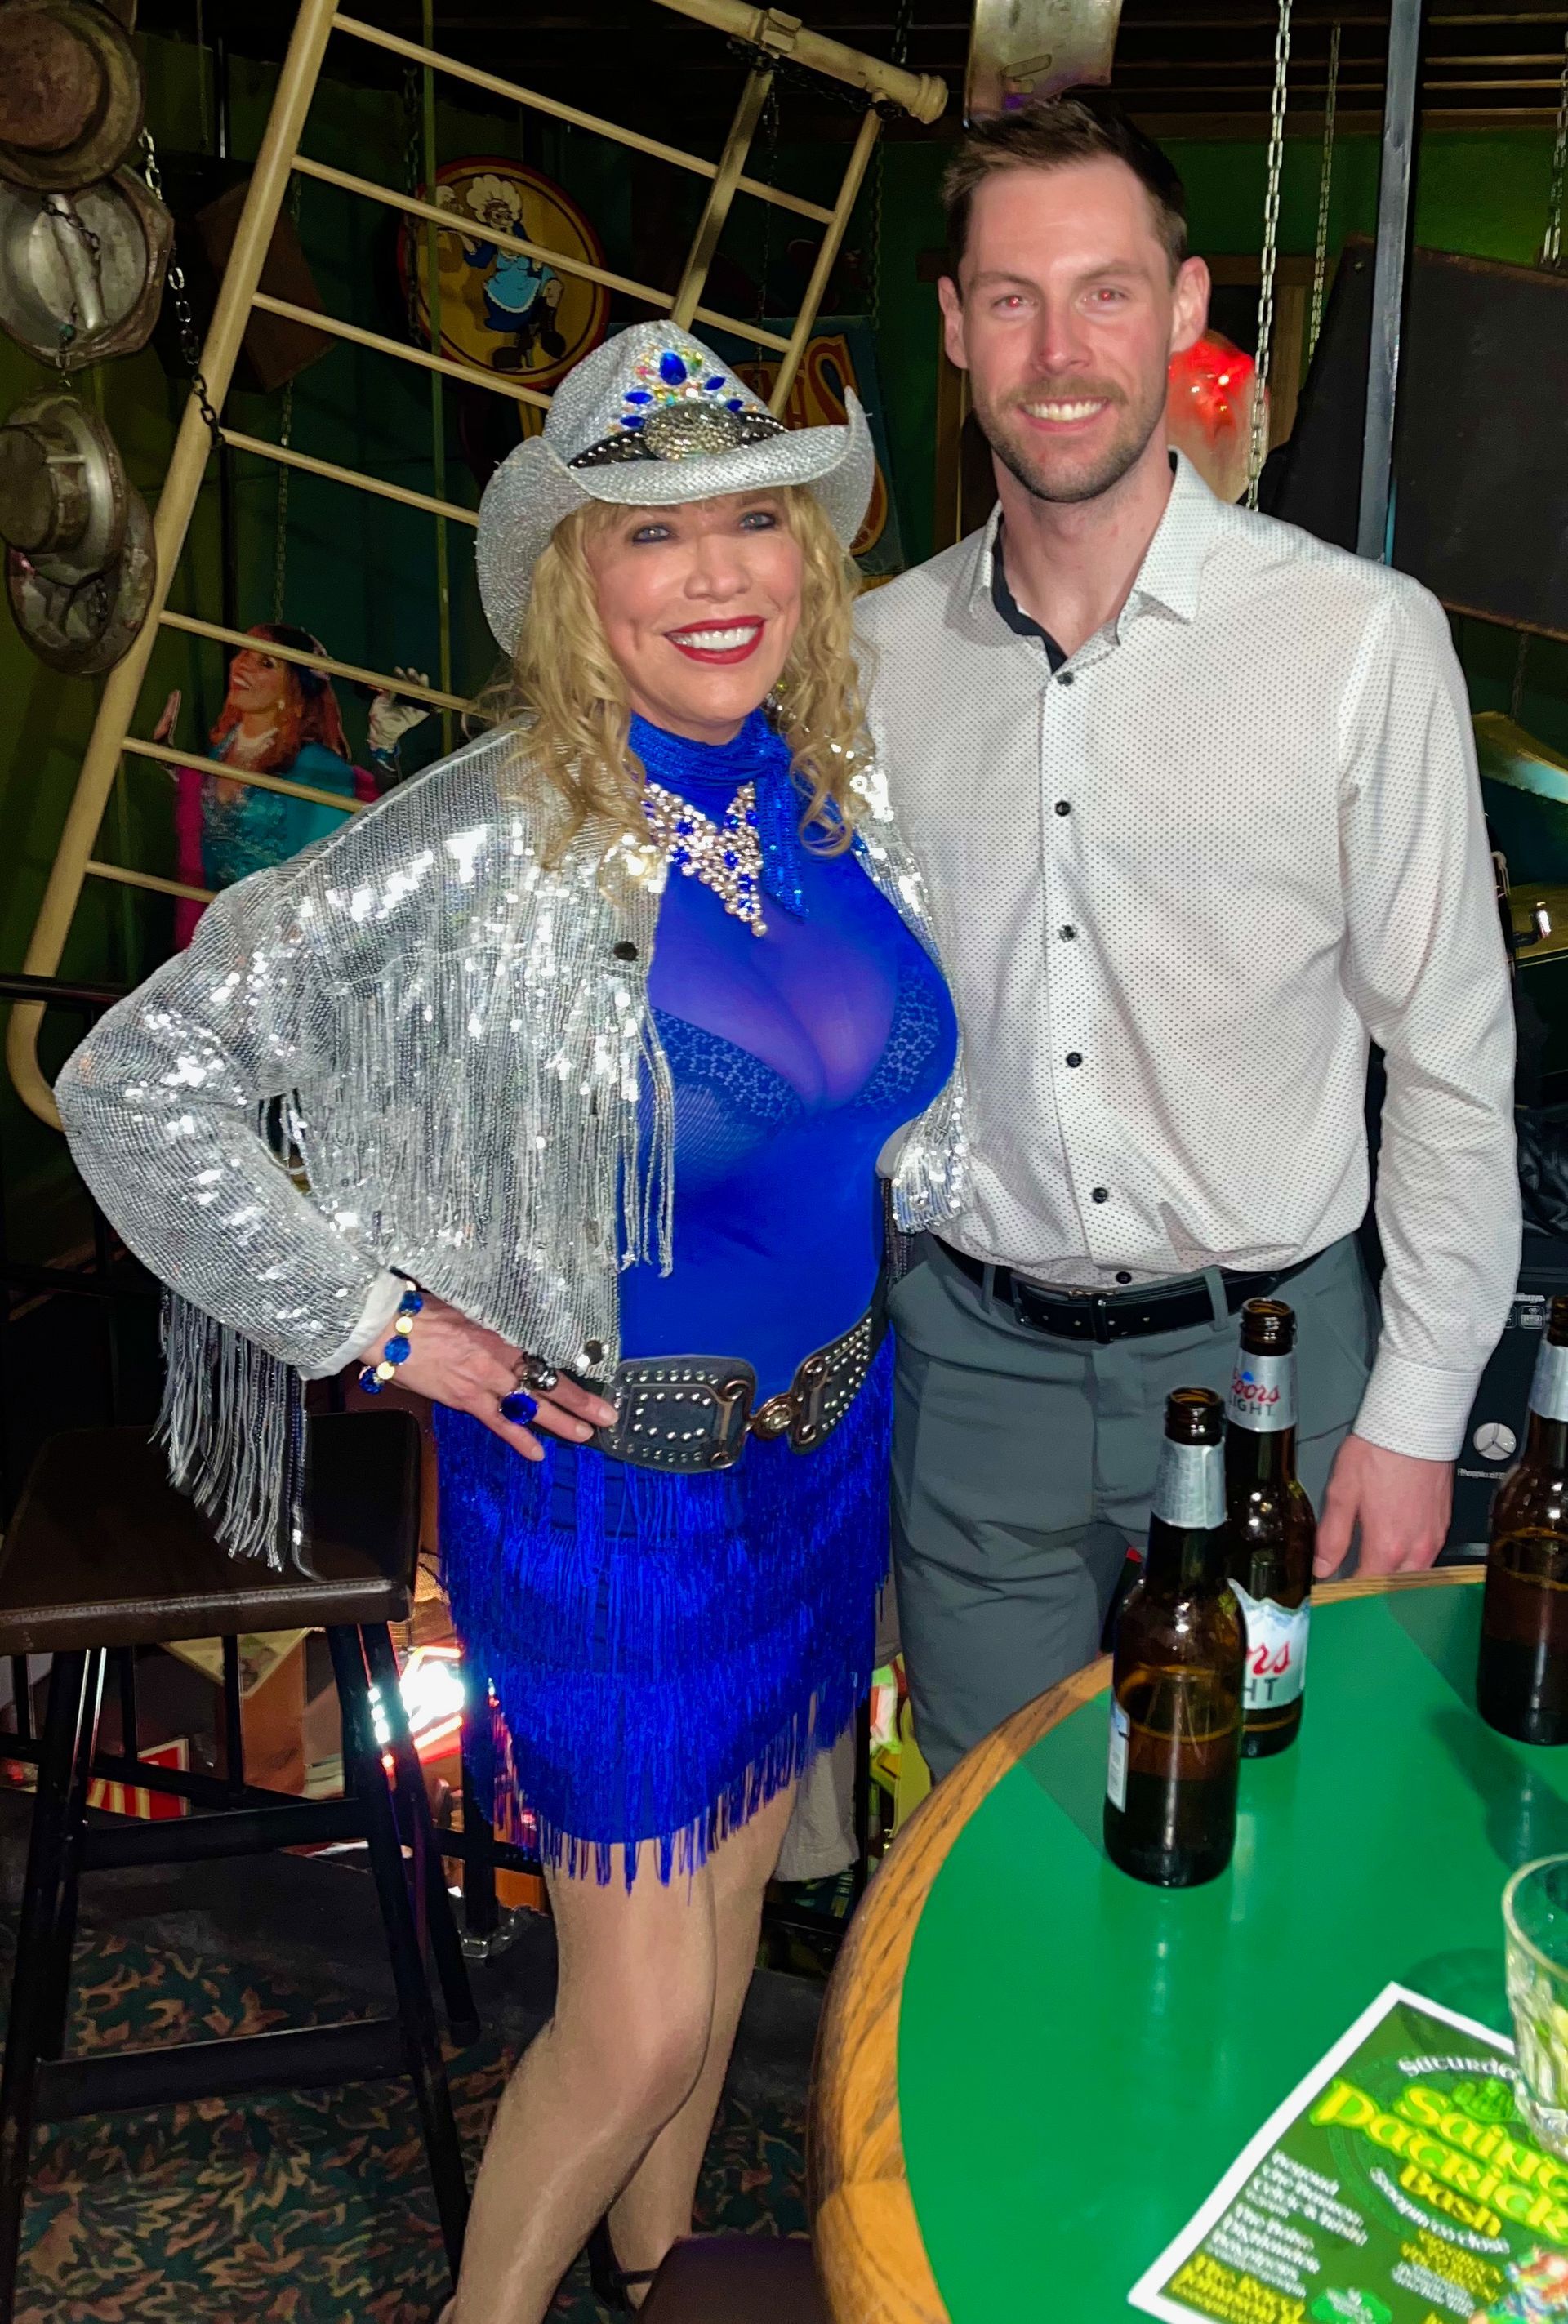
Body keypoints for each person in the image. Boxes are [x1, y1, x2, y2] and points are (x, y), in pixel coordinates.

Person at [56, 320, 962, 2319]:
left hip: (817, 1463)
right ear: (578, 580)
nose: (717, 573)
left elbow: (901, 1109)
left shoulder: (827, 799)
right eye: (653, 537)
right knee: (634, 2026)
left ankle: (663, 2281)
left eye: (755, 522)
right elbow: (138, 1080)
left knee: (727, 1934)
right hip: (611, 1495)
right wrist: (378, 1320)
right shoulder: (485, 832)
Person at [855, 93, 1519, 1780]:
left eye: (1106, 291)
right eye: (1012, 297)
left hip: (1274, 1365)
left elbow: (1448, 1056)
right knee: (990, 1852)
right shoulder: (866, 664)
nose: (1060, 347)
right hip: (974, 1374)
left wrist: (1420, 1407)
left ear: (1188, 305)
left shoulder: (1359, 643)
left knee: (1281, 1832)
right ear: (953, 326)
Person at [156, 621, 431, 944]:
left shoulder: (317, 767)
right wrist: (173, 762)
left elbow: (343, 855)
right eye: (243, 652)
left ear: (293, 690)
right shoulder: (221, 752)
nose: (242, 664)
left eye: (266, 663)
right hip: (217, 935)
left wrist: (383, 747)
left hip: (281, 944)